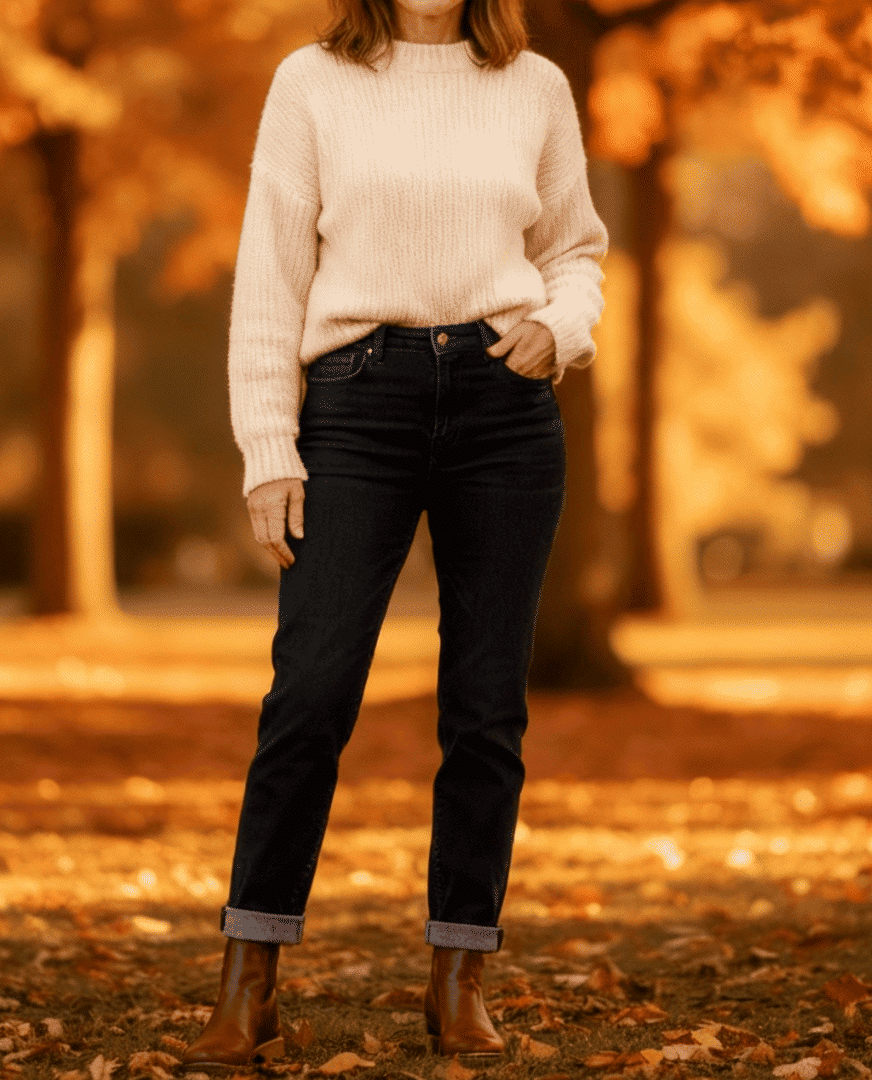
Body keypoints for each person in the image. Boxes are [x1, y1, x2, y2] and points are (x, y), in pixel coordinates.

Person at [180, 0, 607, 1068]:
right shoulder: (311, 83)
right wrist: (269, 448)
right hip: (355, 403)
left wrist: (560, 328)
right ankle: (248, 980)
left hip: (504, 406)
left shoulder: (536, 86)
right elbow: (270, 278)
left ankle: (459, 976)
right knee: (311, 692)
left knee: (485, 709)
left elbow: (575, 252)